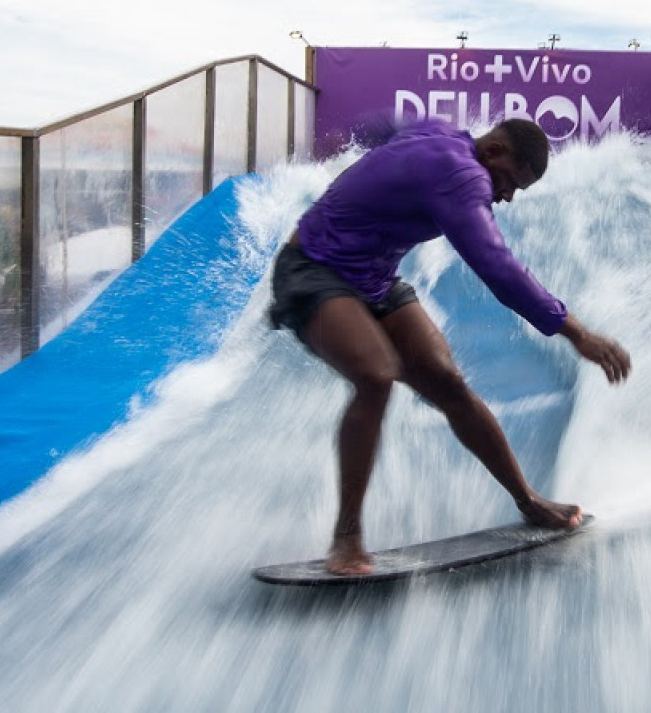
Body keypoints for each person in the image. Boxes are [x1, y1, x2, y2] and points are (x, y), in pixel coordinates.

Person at [269, 116, 632, 576]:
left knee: (448, 383)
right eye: (509, 183)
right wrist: (577, 333)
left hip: (374, 279)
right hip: (313, 269)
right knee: (376, 376)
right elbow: (498, 269)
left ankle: (527, 500)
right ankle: (346, 539)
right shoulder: (464, 175)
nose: (506, 196)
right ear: (494, 151)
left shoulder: (443, 137)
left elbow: (391, 143)